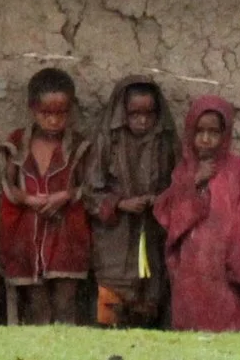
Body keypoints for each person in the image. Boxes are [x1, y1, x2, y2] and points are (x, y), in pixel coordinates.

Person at [152, 95, 240, 332]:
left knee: (226, 322)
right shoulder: (184, 171)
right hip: (192, 265)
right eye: (199, 132)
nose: (206, 139)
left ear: (225, 134)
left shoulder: (238, 170)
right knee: (192, 323)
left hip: (225, 264)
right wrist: (195, 182)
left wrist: (239, 262)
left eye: (213, 133)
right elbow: (171, 216)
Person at [0, 66, 92, 324]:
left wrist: (66, 195)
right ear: (32, 109)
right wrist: (27, 199)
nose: (53, 121)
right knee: (37, 305)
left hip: (67, 237)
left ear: (71, 111)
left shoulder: (79, 147)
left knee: (65, 303)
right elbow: (7, 184)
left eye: (61, 114)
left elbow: (91, 186)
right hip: (26, 237)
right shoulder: (17, 144)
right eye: (46, 113)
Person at [83, 77, 176, 328]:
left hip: (152, 231)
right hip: (116, 236)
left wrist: (158, 200)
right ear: (123, 112)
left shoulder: (165, 141)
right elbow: (89, 192)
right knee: (113, 299)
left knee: (149, 298)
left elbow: (177, 183)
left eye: (149, 114)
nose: (142, 121)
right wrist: (121, 204)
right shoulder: (106, 141)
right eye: (135, 114)